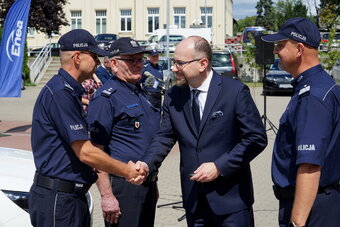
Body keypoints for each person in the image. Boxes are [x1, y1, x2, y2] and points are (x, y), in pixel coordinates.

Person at [137, 36, 268, 227]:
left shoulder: (235, 92)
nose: (174, 69)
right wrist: (148, 164)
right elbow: (165, 136)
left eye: (179, 63)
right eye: (174, 63)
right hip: (194, 200)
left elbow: (256, 139)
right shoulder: (174, 95)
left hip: (231, 202)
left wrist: (220, 166)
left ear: (202, 63)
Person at [28, 29, 145, 227]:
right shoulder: (60, 94)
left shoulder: (69, 91)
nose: (99, 63)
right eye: (94, 56)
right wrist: (127, 171)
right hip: (59, 199)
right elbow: (86, 152)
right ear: (77, 57)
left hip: (70, 196)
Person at [262, 17, 340, 227]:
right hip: (315, 203)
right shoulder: (317, 86)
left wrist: (297, 223)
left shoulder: (312, 96)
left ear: (299, 49)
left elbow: (309, 166)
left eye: (280, 45)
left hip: (310, 208)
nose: (275, 51)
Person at [87, 37, 161, 227]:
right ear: (113, 63)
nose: (139, 65)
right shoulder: (106, 98)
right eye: (131, 60)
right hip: (123, 187)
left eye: (140, 59)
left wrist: (154, 181)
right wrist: (107, 195)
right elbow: (97, 151)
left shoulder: (140, 92)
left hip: (146, 183)